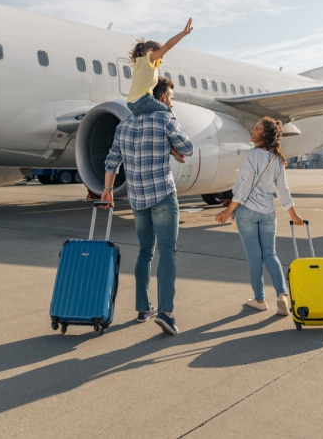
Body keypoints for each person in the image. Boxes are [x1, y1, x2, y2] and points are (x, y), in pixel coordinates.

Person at [100, 76, 193, 336]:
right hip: (162, 195)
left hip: (137, 199)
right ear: (162, 98)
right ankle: (166, 312)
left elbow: (111, 161)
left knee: (144, 252)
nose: (171, 102)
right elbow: (189, 147)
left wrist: (107, 191)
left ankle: (143, 308)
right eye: (171, 98)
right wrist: (172, 125)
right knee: (167, 252)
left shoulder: (125, 124)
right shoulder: (165, 118)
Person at [215, 117, 304, 316]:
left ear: (264, 134)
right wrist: (293, 214)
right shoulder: (277, 158)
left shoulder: (252, 155)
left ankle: (260, 300)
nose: (252, 131)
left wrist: (229, 210)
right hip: (267, 213)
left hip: (247, 212)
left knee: (254, 257)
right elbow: (283, 190)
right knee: (270, 254)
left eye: (256, 129)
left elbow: (243, 187)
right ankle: (283, 295)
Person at [126, 18, 192, 115]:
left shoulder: (138, 63)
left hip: (131, 103)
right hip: (143, 100)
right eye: (160, 56)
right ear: (151, 51)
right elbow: (167, 46)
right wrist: (183, 33)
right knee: (169, 112)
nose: (160, 60)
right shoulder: (150, 58)